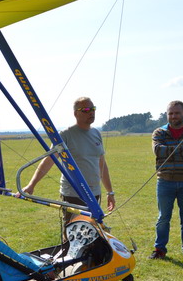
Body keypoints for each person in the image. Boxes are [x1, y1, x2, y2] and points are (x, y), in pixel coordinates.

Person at [20, 97, 116, 229]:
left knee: (92, 231)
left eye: (93, 109)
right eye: (86, 110)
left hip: (94, 193)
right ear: (76, 113)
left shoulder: (96, 133)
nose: (91, 112)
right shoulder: (65, 135)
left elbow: (102, 165)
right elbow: (49, 160)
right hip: (73, 194)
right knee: (73, 231)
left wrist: (110, 192)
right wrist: (31, 185)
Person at [148, 100, 183, 262]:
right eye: (170, 113)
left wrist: (170, 150)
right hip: (165, 182)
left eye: (177, 113)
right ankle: (159, 250)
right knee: (163, 218)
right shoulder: (159, 132)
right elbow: (158, 151)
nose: (173, 116)